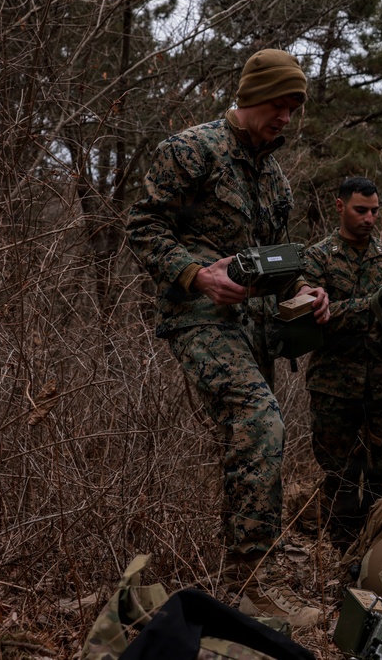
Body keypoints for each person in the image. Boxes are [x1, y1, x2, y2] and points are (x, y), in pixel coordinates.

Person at [125, 48, 330, 628]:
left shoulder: (276, 179)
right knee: (260, 421)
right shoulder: (192, 150)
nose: (286, 118)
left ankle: (249, 565)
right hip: (198, 317)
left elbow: (279, 264)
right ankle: (252, 583)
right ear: (252, 97)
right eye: (279, 105)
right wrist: (197, 274)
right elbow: (142, 225)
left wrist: (307, 291)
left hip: (254, 329)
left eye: (294, 109)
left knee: (254, 435)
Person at [301, 176, 382, 552]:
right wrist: (374, 307)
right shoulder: (317, 259)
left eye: (374, 211)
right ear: (340, 207)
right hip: (333, 386)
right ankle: (342, 552)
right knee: (338, 475)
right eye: (361, 210)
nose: (369, 218)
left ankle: (381, 552)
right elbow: (315, 317)